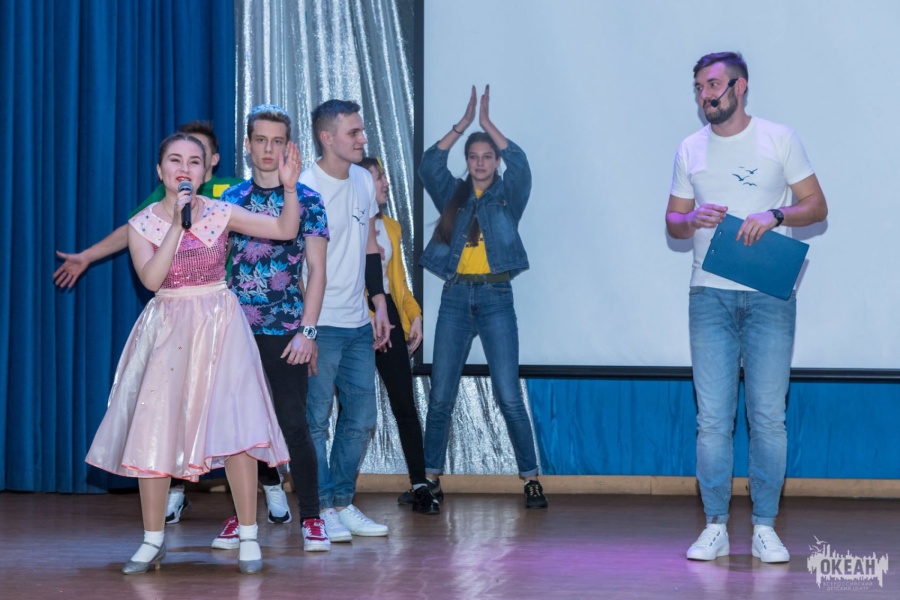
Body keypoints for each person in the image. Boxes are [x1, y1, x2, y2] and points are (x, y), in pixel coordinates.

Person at [85, 132, 303, 575]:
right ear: (160, 169)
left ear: (205, 171)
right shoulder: (141, 224)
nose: (184, 168)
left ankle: (248, 536)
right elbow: (151, 280)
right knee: (155, 429)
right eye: (175, 160)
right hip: (168, 327)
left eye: (194, 161)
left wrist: (290, 188)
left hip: (221, 324)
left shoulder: (221, 212)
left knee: (237, 427)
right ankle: (152, 540)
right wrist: (176, 227)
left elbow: (285, 230)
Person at [665, 52, 827, 563]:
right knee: (713, 420)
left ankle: (764, 527)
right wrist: (692, 219)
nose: (705, 95)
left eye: (713, 85)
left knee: (768, 418)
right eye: (698, 87)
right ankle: (715, 525)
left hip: (768, 297)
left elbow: (816, 205)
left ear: (740, 87)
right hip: (708, 295)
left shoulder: (779, 138)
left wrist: (776, 215)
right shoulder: (690, 148)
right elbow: (672, 221)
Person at [419, 86, 548, 509]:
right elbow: (429, 164)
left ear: (495, 161)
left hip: (496, 298)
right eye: (473, 157)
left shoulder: (509, 195)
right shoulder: (453, 194)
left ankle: (531, 479)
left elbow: (522, 164)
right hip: (455, 299)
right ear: (467, 161)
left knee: (508, 394)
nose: (480, 163)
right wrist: (463, 123)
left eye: (487, 156)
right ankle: (430, 479)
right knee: (441, 395)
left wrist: (488, 123)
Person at [212, 104, 331, 552]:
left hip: (285, 330)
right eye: (260, 139)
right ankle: (242, 516)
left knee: (294, 424)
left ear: (288, 147)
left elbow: (317, 272)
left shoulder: (308, 200)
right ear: (247, 145)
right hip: (235, 331)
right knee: (238, 430)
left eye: (277, 141)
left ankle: (312, 517)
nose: (268, 148)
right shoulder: (229, 201)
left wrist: (308, 331)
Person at [300, 100, 392, 541]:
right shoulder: (305, 186)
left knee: (362, 417)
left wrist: (380, 302)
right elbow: (294, 263)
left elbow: (371, 244)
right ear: (327, 137)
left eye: (361, 131)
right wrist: (305, 329)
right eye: (353, 132)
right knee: (316, 421)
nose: (362, 139)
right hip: (320, 324)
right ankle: (321, 508)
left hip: (357, 323)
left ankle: (341, 500)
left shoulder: (361, 179)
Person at [53, 121, 242, 289]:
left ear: (213, 158)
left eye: (196, 151)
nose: (185, 161)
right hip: (177, 294)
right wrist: (88, 255)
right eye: (177, 156)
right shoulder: (167, 191)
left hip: (227, 292)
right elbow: (137, 228)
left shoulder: (234, 189)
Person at [357, 156, 439, 515]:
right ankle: (337, 492)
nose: (386, 183)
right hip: (355, 318)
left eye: (384, 177)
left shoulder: (391, 227)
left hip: (388, 315)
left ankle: (420, 485)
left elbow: (397, 282)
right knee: (352, 410)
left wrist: (414, 314)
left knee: (405, 403)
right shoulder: (344, 223)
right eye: (378, 178)